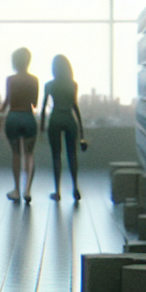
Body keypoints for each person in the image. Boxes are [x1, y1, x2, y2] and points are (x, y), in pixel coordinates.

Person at [41, 54, 86, 202]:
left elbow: (43, 108)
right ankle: (75, 187)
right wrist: (81, 131)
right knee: (72, 155)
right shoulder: (73, 84)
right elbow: (75, 106)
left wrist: (41, 126)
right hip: (69, 118)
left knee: (56, 156)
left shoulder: (49, 85)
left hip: (55, 119)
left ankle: (57, 191)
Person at [0, 47, 39, 203]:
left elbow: (7, 101)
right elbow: (34, 103)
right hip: (28, 117)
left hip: (13, 117)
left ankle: (16, 190)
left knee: (16, 154)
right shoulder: (34, 80)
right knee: (29, 154)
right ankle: (27, 189)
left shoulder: (11, 79)